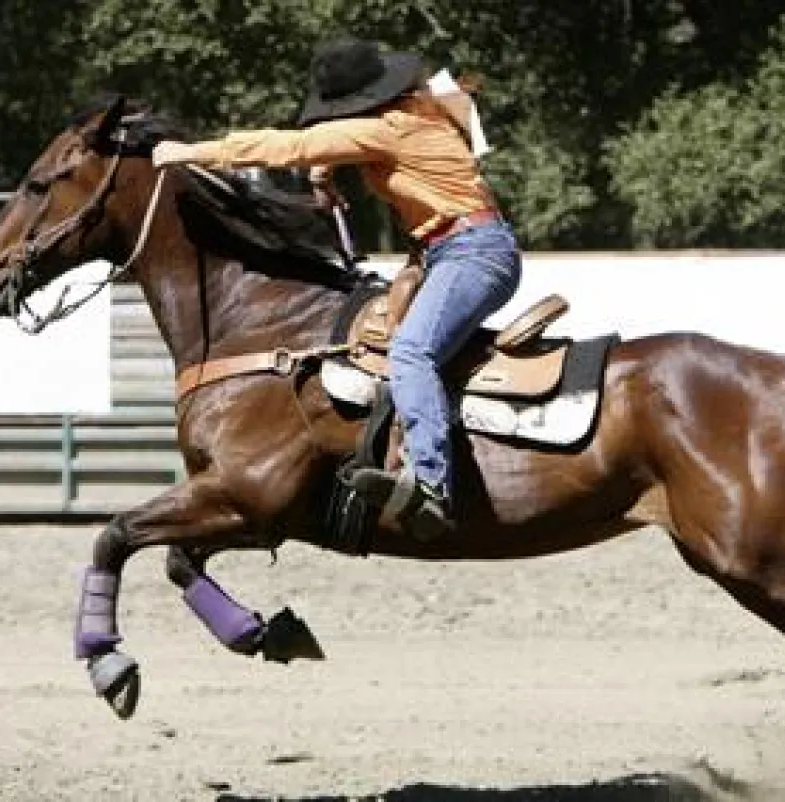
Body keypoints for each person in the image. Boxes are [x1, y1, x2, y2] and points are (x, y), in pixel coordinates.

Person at [152, 35, 523, 540]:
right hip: (461, 251)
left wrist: (193, 152)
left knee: (411, 351)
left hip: (471, 254)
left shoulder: (389, 129)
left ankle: (432, 486)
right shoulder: (414, 117)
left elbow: (292, 147)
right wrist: (332, 173)